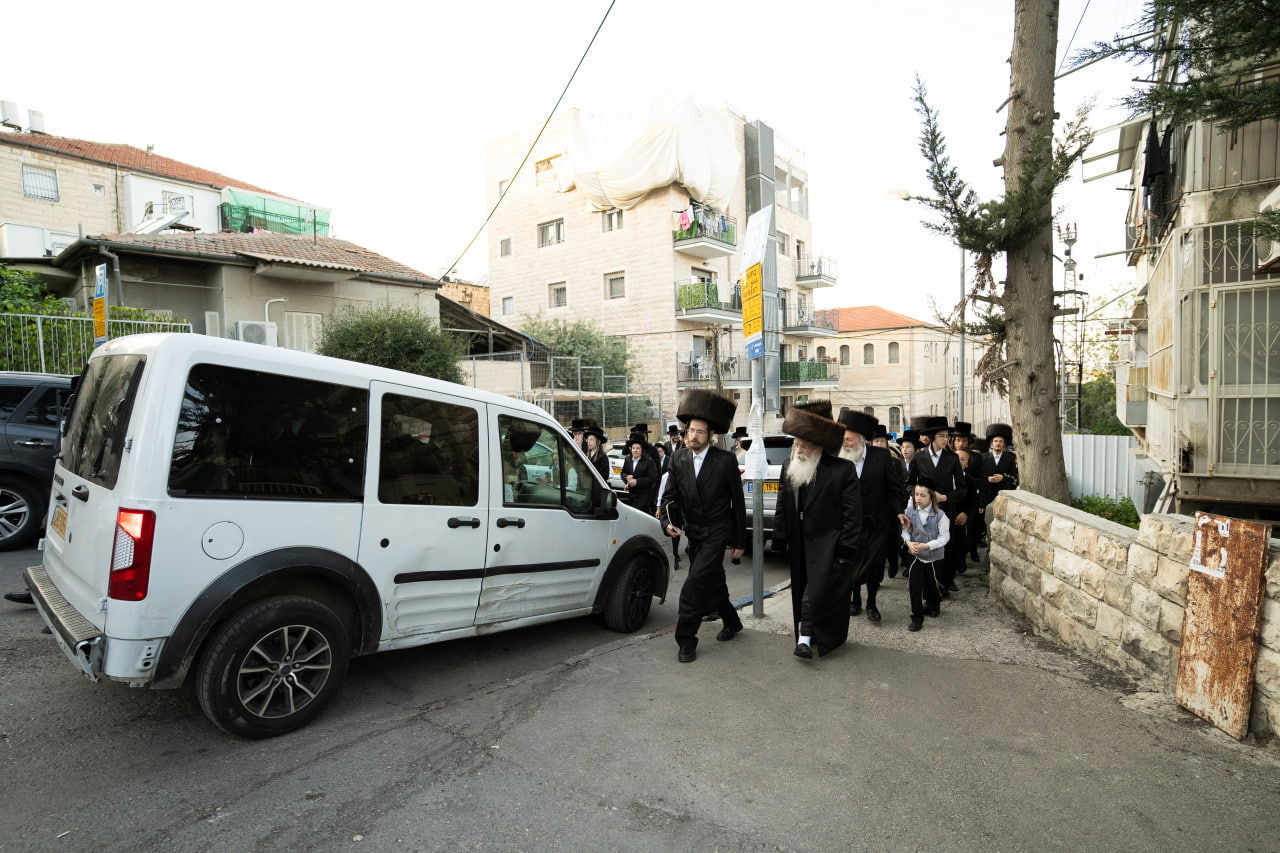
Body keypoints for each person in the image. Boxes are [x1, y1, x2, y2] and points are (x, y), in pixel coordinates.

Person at [659, 390, 746, 663]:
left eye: (700, 432)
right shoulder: (678, 459)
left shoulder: (725, 461)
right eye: (691, 431)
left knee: (694, 585)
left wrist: (739, 542)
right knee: (713, 582)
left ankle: (686, 640)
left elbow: (738, 504)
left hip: (718, 530)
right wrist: (667, 523)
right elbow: (669, 497)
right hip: (693, 531)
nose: (693, 436)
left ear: (711, 436)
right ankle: (732, 622)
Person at [771, 407, 860, 659]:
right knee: (802, 589)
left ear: (819, 447)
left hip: (828, 541)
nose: (799, 450)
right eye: (797, 444)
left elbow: (852, 515)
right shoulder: (790, 464)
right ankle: (808, 636)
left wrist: (846, 549)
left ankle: (805, 639)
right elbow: (782, 502)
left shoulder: (842, 470)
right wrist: (780, 537)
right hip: (800, 540)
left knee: (816, 590)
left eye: (805, 446)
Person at [838, 410, 907, 623]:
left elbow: (894, 489)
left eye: (848, 439)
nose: (845, 443)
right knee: (853, 565)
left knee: (875, 566)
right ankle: (855, 601)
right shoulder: (839, 458)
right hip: (850, 525)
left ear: (861, 439)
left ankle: (871, 603)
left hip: (877, 523)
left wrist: (898, 511)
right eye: (843, 440)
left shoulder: (881, 456)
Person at [908, 415, 967, 596]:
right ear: (933, 437)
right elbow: (908, 484)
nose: (946, 439)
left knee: (947, 547)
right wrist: (920, 495)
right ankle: (930, 584)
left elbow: (962, 488)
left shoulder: (952, 458)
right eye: (942, 435)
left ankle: (947, 580)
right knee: (926, 547)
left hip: (946, 510)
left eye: (947, 435)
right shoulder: (918, 457)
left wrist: (946, 498)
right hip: (924, 512)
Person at [902, 479, 950, 631]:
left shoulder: (940, 515)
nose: (918, 498)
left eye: (923, 495)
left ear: (931, 497)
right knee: (915, 587)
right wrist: (909, 543)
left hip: (934, 557)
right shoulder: (909, 512)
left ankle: (933, 605)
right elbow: (904, 530)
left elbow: (945, 537)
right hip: (916, 556)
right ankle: (917, 618)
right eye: (916, 494)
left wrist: (927, 546)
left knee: (933, 586)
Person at [621, 435, 658, 511]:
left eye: (638, 448)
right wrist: (626, 478)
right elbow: (623, 472)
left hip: (644, 496)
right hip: (631, 495)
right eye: (633, 448)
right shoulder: (627, 459)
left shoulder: (649, 461)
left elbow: (653, 477)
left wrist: (637, 482)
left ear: (642, 450)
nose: (635, 450)